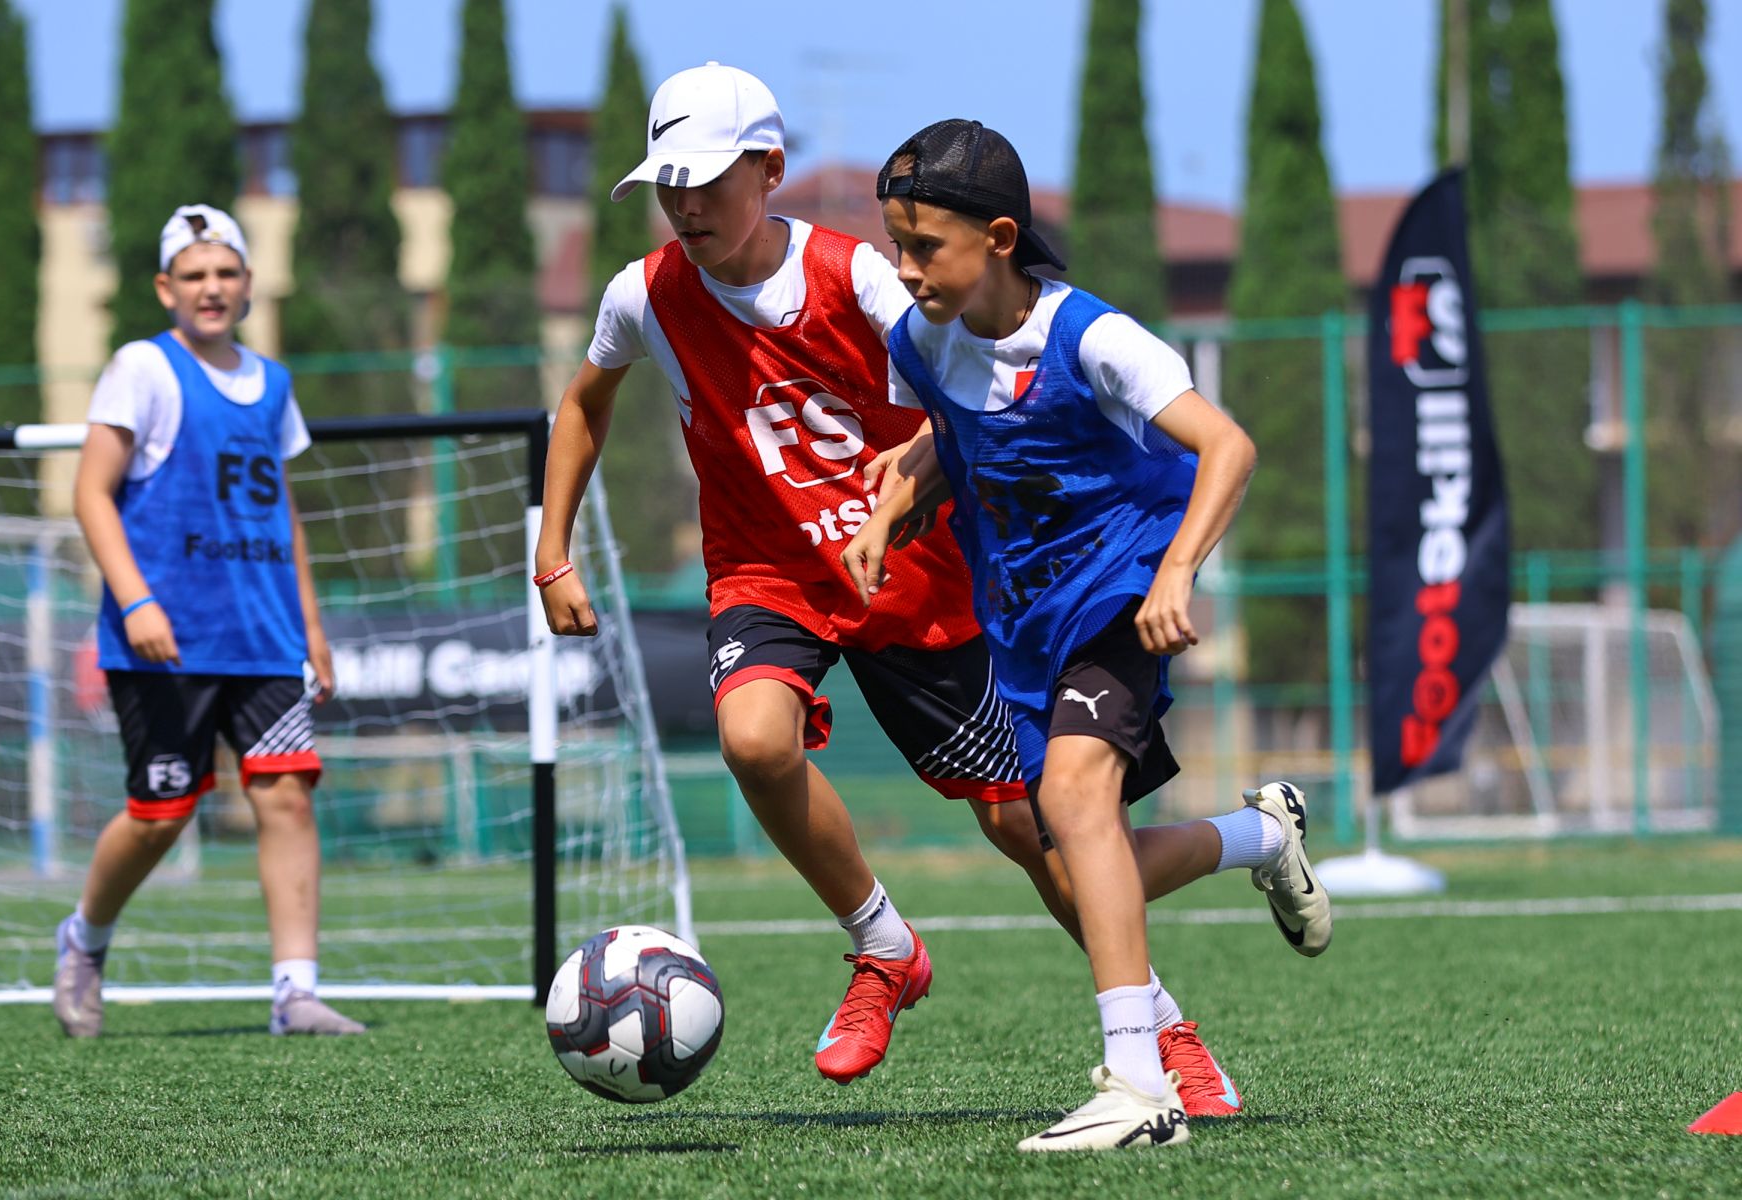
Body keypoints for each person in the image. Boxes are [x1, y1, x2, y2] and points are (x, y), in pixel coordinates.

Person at [533, 63, 1246, 1106]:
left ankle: (1170, 1020)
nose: (684, 203)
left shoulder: (870, 280)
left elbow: (962, 402)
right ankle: (883, 946)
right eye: (665, 182)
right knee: (753, 738)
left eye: (705, 179)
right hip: (767, 571)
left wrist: (911, 490)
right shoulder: (641, 295)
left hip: (915, 583)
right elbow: (584, 404)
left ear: (769, 170)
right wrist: (553, 549)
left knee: (1032, 830)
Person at [843, 119, 1332, 1151]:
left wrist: (1176, 573)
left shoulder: (1093, 338)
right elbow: (952, 433)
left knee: (1070, 801)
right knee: (1070, 856)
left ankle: (1140, 1086)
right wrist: (894, 510)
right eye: (896, 244)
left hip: (1118, 598)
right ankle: (1261, 838)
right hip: (1021, 621)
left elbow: (1227, 447)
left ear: (1003, 237)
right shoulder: (920, 343)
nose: (905, 267)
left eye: (924, 246)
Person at [52, 205, 363, 1039]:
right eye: (193, 275)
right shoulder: (141, 369)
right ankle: (84, 939)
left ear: (250, 284)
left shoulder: (273, 385)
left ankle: (296, 991)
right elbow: (92, 493)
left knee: (288, 797)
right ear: (166, 288)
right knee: (162, 814)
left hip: (263, 637)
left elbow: (282, 514)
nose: (211, 288)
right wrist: (137, 600)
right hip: (165, 641)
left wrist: (313, 627)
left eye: (225, 272)